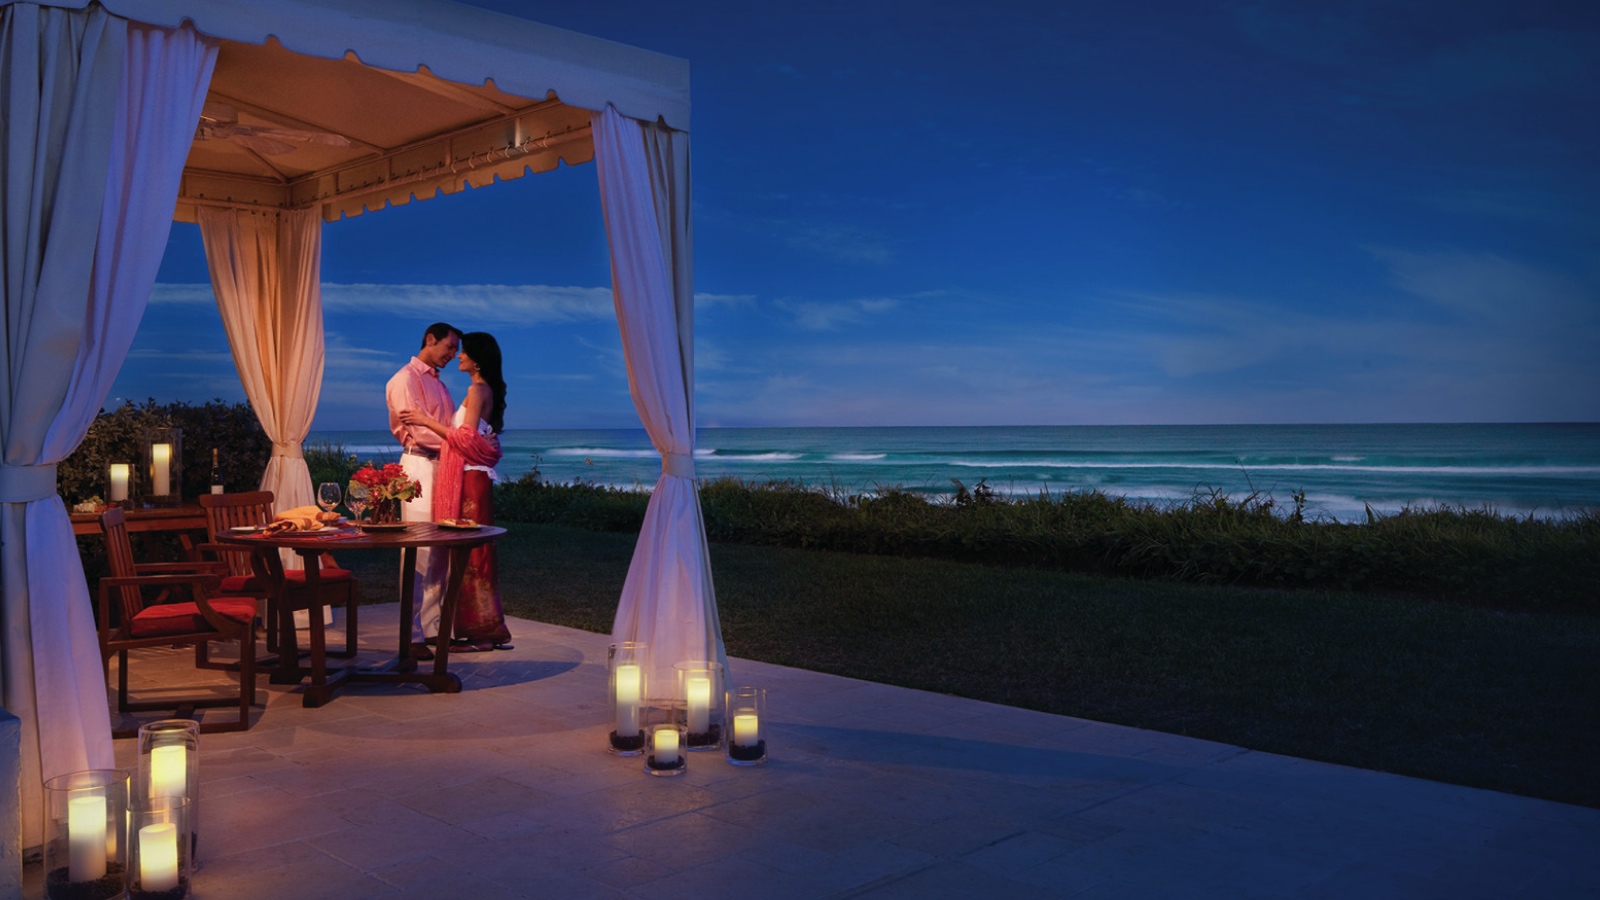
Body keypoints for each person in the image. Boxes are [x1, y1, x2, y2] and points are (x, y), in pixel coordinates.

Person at [399, 331, 512, 651]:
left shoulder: (477, 390)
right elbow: (475, 436)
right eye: (454, 349)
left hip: (472, 479)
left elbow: (463, 437)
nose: (458, 356)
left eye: (463, 351)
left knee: (470, 553)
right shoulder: (481, 389)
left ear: (477, 359)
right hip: (473, 475)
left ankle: (480, 631)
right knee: (470, 552)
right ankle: (478, 627)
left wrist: (424, 420)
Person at [385, 322, 460, 660]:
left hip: (444, 465)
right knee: (417, 550)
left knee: (441, 549)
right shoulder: (404, 379)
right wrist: (458, 442)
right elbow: (421, 432)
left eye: (456, 350)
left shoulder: (440, 386)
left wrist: (459, 440)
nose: (453, 354)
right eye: (449, 347)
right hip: (418, 465)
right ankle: (411, 633)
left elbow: (449, 428)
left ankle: (433, 626)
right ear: (431, 339)